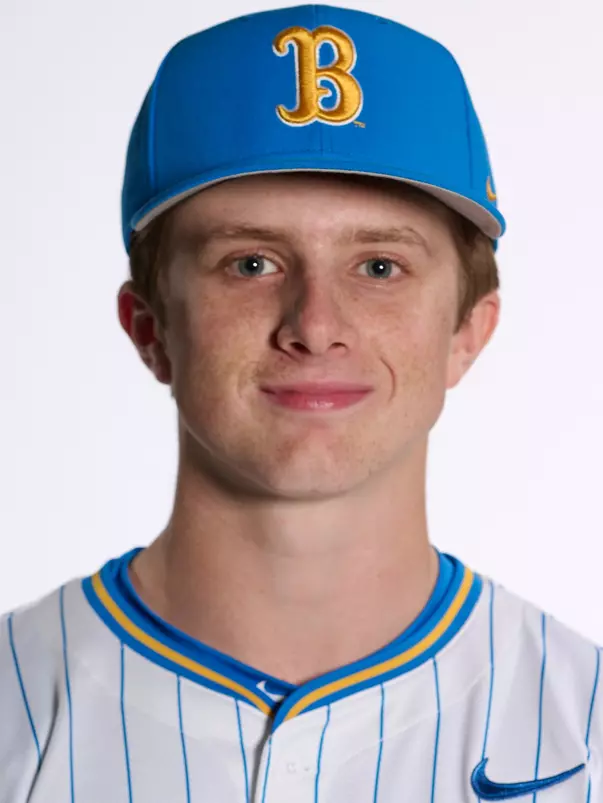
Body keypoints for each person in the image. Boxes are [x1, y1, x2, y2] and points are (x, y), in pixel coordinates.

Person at [1, 5, 600, 802]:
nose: (315, 326)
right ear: (150, 327)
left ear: (467, 329)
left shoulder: (585, 730)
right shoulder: (14, 710)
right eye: (250, 263)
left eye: (379, 267)